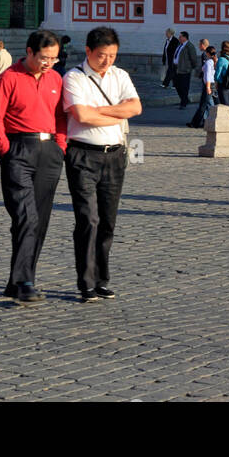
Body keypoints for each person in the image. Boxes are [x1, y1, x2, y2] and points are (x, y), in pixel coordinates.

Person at [0, 29, 68, 304]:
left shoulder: (56, 78)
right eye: (45, 57)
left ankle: (17, 281)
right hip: (17, 149)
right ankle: (24, 281)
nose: (49, 63)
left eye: (54, 58)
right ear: (30, 52)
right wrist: (5, 149)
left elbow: (60, 116)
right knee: (25, 217)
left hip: (49, 152)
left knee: (39, 221)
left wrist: (60, 146)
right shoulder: (9, 78)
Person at [62, 27, 142, 302]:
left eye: (112, 55)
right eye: (101, 56)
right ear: (88, 51)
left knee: (107, 221)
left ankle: (101, 280)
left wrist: (99, 111)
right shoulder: (74, 77)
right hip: (82, 156)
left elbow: (135, 108)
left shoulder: (121, 76)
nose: (107, 61)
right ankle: (85, 282)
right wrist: (115, 113)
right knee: (88, 219)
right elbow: (82, 116)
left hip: (115, 156)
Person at [188, 42, 216, 129]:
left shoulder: (209, 63)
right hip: (212, 84)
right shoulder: (215, 61)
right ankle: (212, 120)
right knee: (210, 105)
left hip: (208, 85)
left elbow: (208, 75)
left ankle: (195, 123)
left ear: (207, 53)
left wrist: (207, 87)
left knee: (203, 105)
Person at [170, 31, 199, 109]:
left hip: (185, 69)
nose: (179, 38)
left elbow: (193, 58)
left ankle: (183, 103)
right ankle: (185, 99)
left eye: (180, 37)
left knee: (184, 87)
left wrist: (190, 67)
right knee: (176, 85)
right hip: (176, 68)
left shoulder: (189, 46)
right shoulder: (180, 45)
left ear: (184, 37)